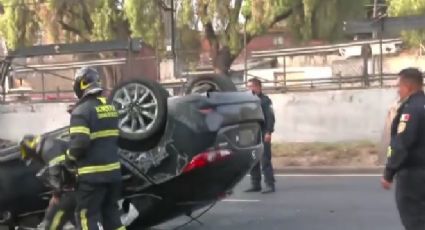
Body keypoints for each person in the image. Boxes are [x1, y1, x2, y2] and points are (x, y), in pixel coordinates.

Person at [65, 66, 125, 230]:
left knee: (87, 216)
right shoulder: (111, 108)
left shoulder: (81, 112)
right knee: (112, 215)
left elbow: (80, 144)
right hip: (113, 175)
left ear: (80, 85)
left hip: (92, 178)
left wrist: (68, 159)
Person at [381, 67, 425, 230]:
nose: (397, 90)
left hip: (414, 176)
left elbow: (401, 143)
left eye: (399, 85)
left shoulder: (410, 110)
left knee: (415, 220)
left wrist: (389, 172)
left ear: (408, 86)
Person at [19, 134, 76, 230]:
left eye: (32, 157)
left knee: (56, 212)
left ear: (32, 150)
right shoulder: (50, 144)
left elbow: (60, 175)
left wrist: (56, 195)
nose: (35, 160)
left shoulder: (49, 149)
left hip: (76, 186)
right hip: (77, 184)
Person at [245, 77, 276, 194]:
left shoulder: (265, 101)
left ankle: (270, 184)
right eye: (248, 87)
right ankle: (255, 184)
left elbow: (270, 117)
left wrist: (268, 131)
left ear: (258, 87)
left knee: (265, 159)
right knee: (253, 159)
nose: (249, 89)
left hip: (263, 132)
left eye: (251, 86)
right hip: (251, 133)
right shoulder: (248, 101)